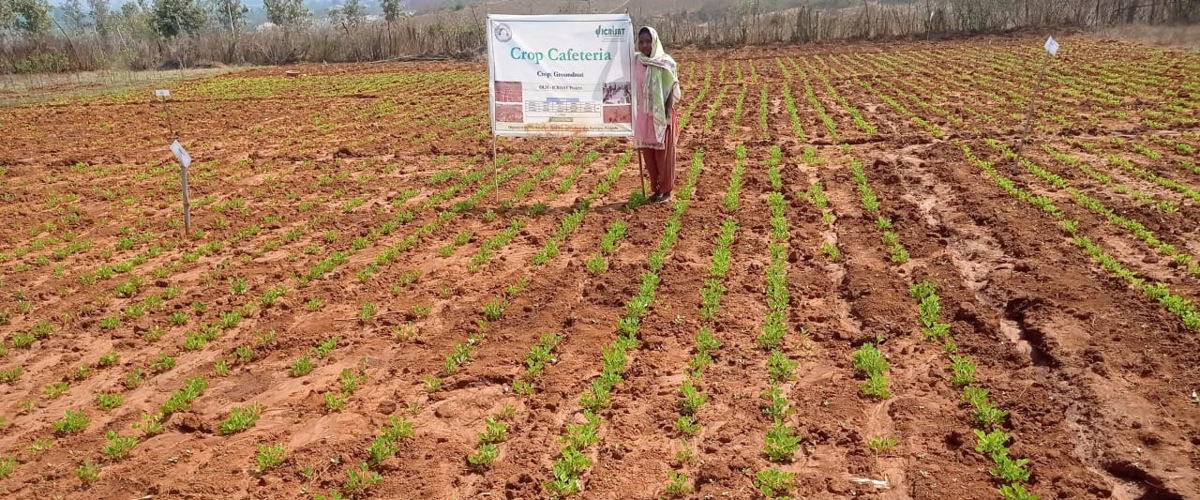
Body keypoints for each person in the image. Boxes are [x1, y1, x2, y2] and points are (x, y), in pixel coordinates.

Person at [634, 26, 682, 204]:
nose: (645, 45)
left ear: (654, 42)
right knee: (649, 154)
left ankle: (666, 191)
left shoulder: (666, 63)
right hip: (645, 115)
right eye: (641, 42)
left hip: (662, 115)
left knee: (663, 155)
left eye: (648, 41)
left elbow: (672, 88)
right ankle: (656, 190)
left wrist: (668, 113)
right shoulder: (637, 61)